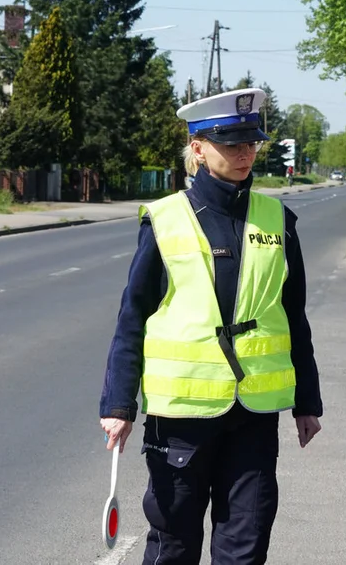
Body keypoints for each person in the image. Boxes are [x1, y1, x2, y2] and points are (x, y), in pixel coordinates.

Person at [98, 88, 324, 565]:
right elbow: (132, 317)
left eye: (251, 143)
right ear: (197, 148)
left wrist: (307, 401)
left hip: (254, 414)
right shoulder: (164, 220)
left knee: (245, 546)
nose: (245, 153)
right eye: (230, 143)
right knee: (173, 545)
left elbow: (293, 315)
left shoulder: (278, 220)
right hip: (180, 418)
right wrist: (119, 403)